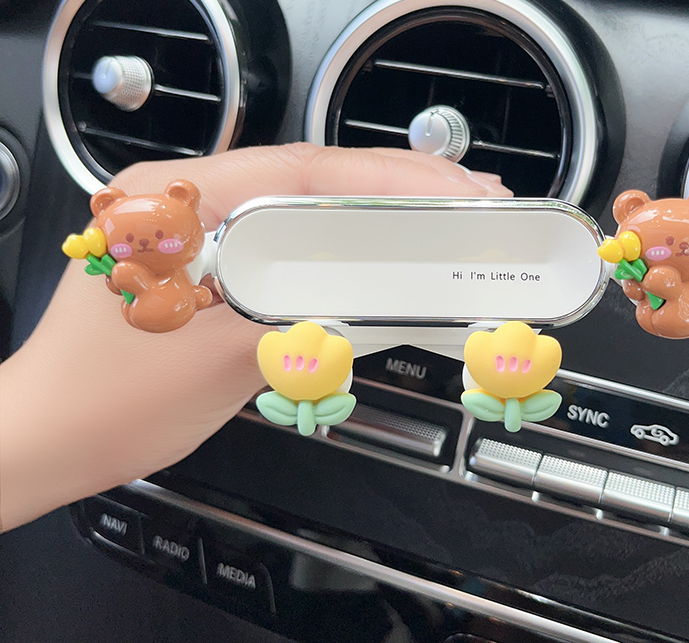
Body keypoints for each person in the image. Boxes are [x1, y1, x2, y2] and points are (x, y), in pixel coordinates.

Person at [0, 143, 511, 534]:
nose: (147, 244)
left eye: (158, 236)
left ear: (184, 201)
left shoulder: (184, 265)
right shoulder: (160, 272)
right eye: (133, 241)